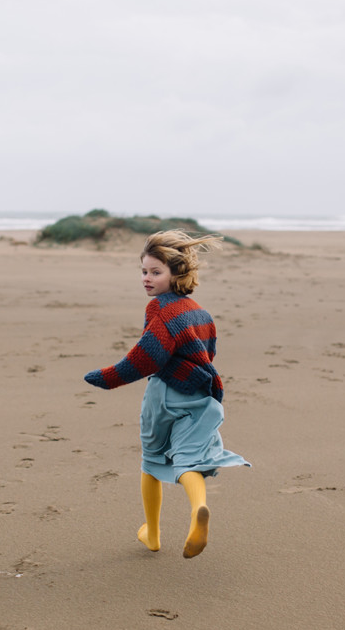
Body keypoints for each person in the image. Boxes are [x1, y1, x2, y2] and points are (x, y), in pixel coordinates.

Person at [84, 230, 250, 558]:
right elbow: (209, 351)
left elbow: (147, 358)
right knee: (191, 460)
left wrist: (108, 378)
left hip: (166, 395)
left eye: (155, 272)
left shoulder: (161, 310)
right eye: (144, 271)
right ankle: (198, 507)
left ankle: (153, 534)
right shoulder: (201, 312)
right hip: (201, 397)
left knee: (151, 461)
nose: (147, 279)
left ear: (176, 274)